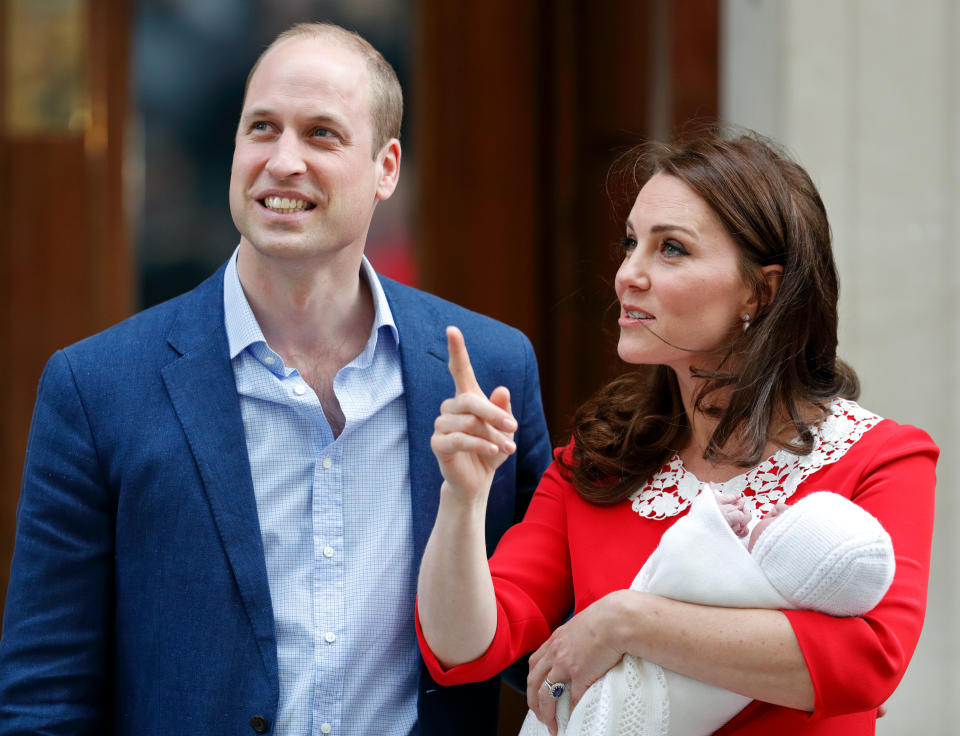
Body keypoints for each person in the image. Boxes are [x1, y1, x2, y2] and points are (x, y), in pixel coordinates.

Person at [0, 22, 551, 736]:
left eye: (321, 134)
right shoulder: (98, 387)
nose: (282, 161)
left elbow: (540, 650)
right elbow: (48, 694)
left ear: (387, 168)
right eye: (262, 128)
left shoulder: (488, 371)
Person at [416, 131, 937, 736]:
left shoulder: (881, 457)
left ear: (760, 291)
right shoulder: (598, 461)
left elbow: (868, 661)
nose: (626, 275)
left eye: (671, 250)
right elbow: (465, 650)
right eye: (631, 243)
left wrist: (625, 622)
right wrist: (462, 497)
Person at [518, 488, 897, 736]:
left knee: (575, 711)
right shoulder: (790, 611)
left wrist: (709, 520)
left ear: (785, 554)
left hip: (614, 693)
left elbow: (675, 569)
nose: (782, 504)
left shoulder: (742, 586)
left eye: (789, 519)